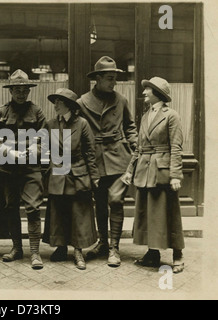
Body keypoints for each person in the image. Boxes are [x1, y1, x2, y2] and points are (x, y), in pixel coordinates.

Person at [77, 56, 138, 267]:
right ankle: (103, 243)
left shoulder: (121, 100)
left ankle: (114, 247)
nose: (114, 83)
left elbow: (130, 126)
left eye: (115, 79)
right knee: (100, 203)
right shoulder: (82, 102)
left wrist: (135, 146)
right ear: (98, 78)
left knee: (116, 200)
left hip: (119, 157)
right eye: (110, 78)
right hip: (95, 159)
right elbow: (77, 129)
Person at [121, 77, 185, 273]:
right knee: (148, 213)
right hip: (144, 170)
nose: (144, 93)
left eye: (147, 90)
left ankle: (178, 255)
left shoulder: (171, 115)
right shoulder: (146, 115)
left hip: (163, 172)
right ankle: (152, 254)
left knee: (169, 213)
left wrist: (175, 175)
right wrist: (129, 171)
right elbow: (140, 148)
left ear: (157, 93)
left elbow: (176, 146)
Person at [0, 69, 46, 269]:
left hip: (31, 168)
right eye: (17, 90)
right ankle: (17, 248)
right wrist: (10, 152)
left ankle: (35, 253)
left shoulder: (37, 111)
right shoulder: (0, 112)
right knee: (11, 207)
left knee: (33, 208)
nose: (21, 94)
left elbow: (44, 137)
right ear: (11, 91)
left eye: (24, 90)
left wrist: (34, 148)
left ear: (29, 92)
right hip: (8, 169)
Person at [42, 88, 100, 270]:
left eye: (59, 102)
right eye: (55, 102)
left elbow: (90, 152)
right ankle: (60, 248)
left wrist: (94, 177)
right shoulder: (50, 124)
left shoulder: (82, 124)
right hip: (58, 172)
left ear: (69, 105)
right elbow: (43, 148)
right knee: (58, 212)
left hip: (78, 173)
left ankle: (78, 251)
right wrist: (47, 169)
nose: (55, 105)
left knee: (78, 214)